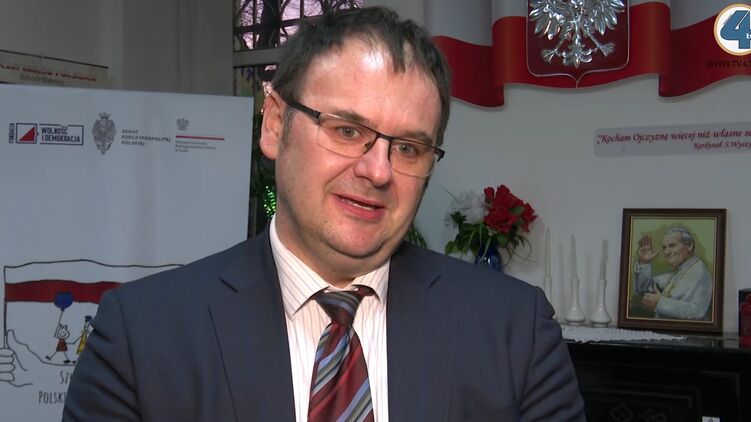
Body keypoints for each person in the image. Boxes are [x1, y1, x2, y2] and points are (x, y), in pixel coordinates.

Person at [63, 6, 585, 421]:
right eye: (347, 130)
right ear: (275, 125)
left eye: (408, 148)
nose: (378, 171)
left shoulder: (515, 331)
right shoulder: (141, 338)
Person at [635, 227, 713, 320]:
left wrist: (660, 303)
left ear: (690, 245)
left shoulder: (699, 271)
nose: (667, 252)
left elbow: (698, 311)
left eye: (672, 246)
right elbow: (645, 289)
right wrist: (645, 263)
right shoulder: (680, 270)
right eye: (664, 248)